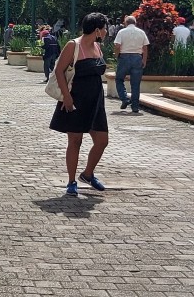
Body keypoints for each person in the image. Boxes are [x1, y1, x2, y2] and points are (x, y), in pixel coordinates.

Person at [49, 12, 109, 197]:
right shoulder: (73, 45)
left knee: (102, 140)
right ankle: (71, 181)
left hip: (96, 101)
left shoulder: (97, 47)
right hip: (76, 99)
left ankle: (88, 173)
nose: (107, 31)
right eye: (105, 28)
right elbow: (59, 71)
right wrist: (67, 97)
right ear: (98, 30)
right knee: (75, 141)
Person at [113, 15, 150, 114]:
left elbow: (117, 45)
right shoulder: (141, 32)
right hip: (137, 57)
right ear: (135, 22)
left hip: (124, 57)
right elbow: (145, 48)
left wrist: (117, 55)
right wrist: (144, 60)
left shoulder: (121, 32)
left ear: (125, 23)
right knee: (135, 84)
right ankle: (135, 107)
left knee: (119, 79)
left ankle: (124, 98)